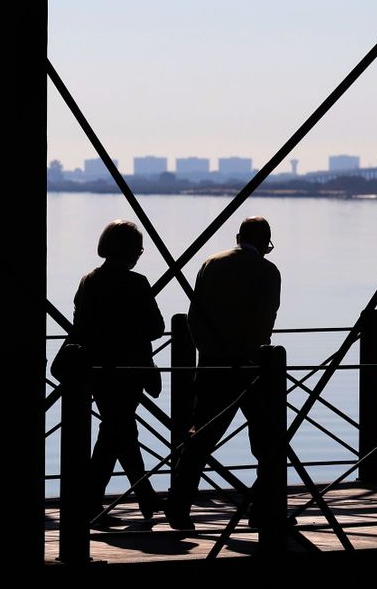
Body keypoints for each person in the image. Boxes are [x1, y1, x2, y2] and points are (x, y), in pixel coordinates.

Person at [167, 216, 282, 531]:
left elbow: (194, 317)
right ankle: (263, 509)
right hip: (251, 366)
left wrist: (210, 351)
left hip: (212, 364)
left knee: (200, 438)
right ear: (266, 242)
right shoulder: (268, 271)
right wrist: (247, 353)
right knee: (267, 440)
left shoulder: (210, 263)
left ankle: (178, 506)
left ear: (238, 236)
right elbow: (264, 321)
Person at [72, 220, 165, 523]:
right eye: (138, 248)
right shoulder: (136, 283)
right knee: (117, 431)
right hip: (129, 369)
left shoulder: (88, 280)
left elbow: (81, 326)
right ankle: (97, 501)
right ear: (130, 251)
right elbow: (156, 327)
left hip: (98, 370)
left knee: (118, 431)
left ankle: (142, 497)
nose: (140, 254)